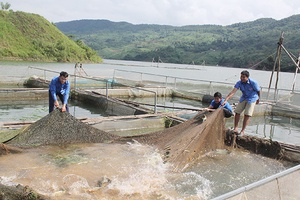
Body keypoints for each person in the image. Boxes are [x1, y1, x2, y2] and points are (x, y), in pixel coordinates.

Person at [222, 70, 260, 135]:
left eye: (243, 77)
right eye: (241, 77)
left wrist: (258, 99)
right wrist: (226, 100)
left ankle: (242, 131)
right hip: (244, 97)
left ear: (247, 77)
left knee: (247, 114)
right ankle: (235, 128)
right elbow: (233, 92)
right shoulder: (239, 83)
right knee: (237, 112)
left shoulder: (253, 82)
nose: (242, 78)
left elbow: (258, 91)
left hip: (252, 98)